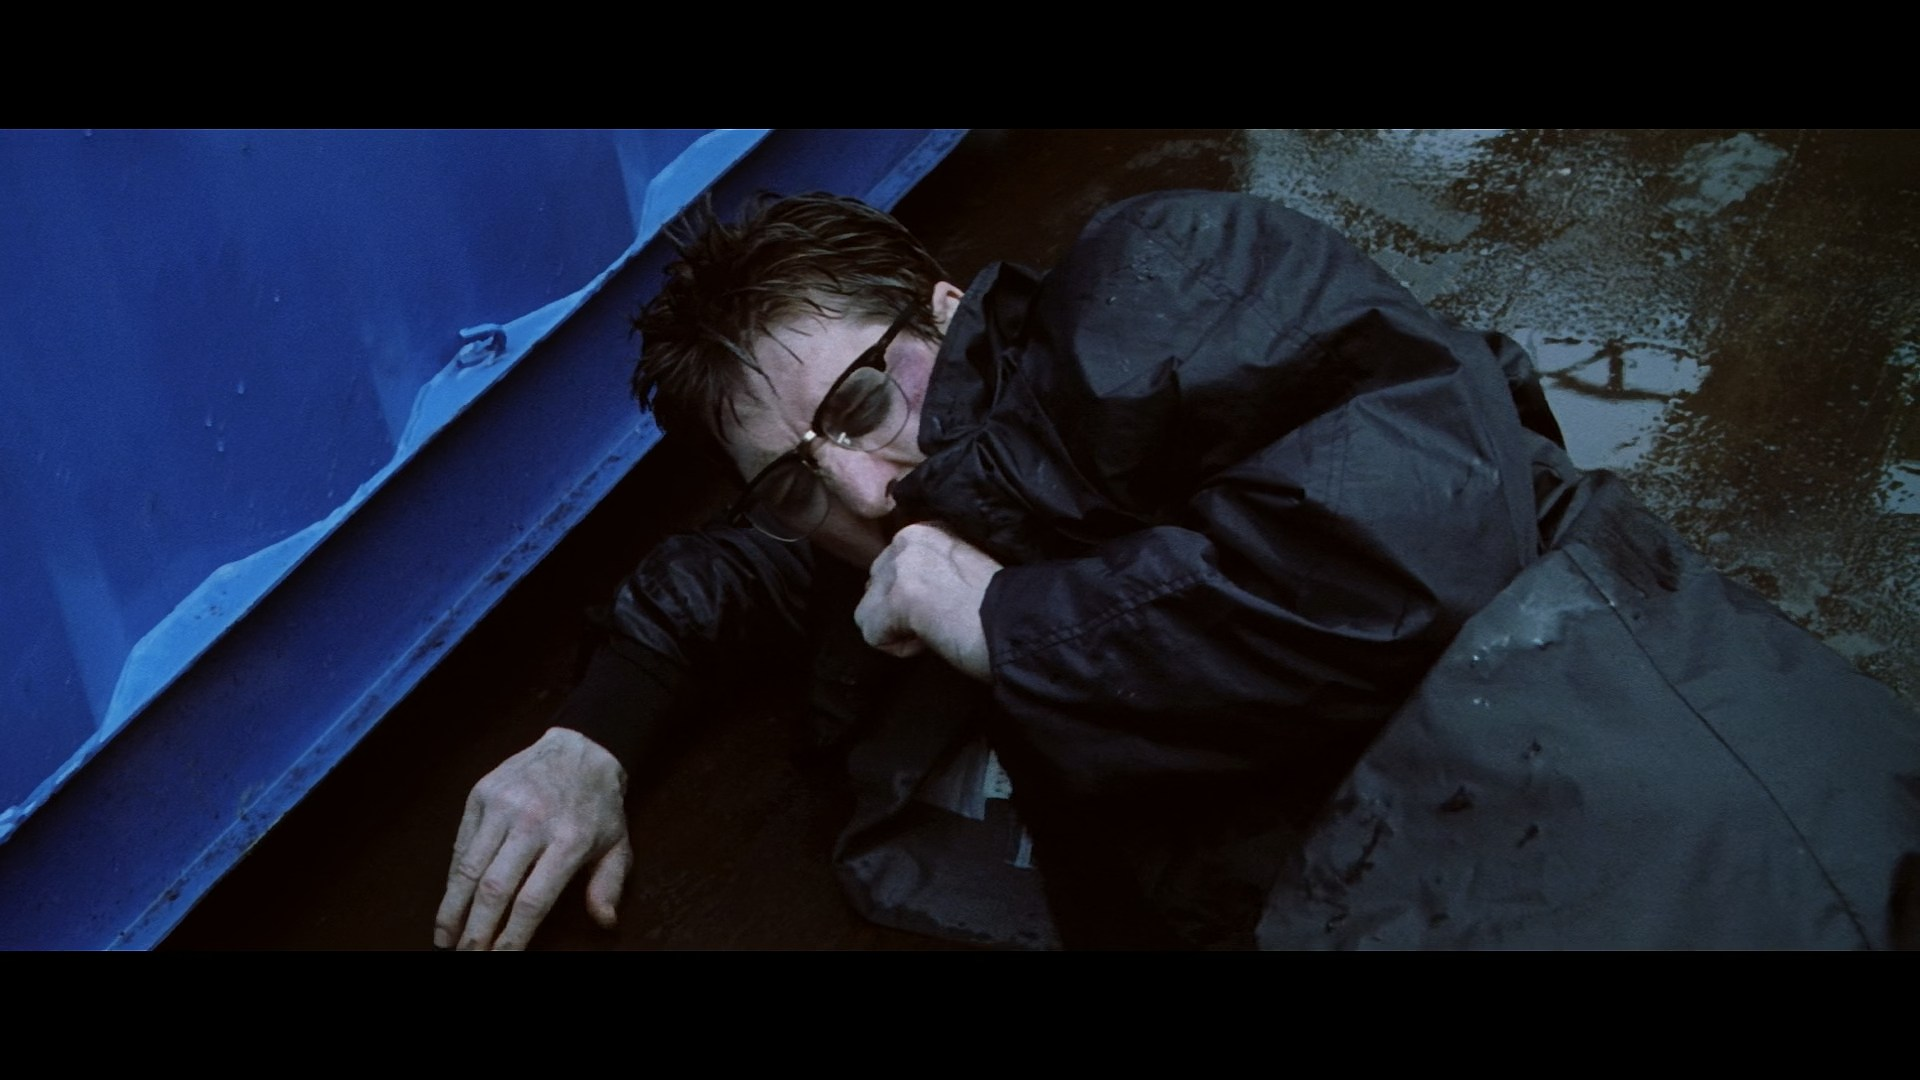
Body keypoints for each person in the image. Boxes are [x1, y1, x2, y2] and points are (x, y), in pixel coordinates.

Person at [434, 190, 1920, 951]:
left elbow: (1416, 539)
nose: (859, 483)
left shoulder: (1158, 287)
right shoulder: (876, 528)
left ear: (945, 312)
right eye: (790, 480)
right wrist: (587, 739)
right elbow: (732, 578)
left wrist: (1012, 623)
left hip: (1676, 813)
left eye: (864, 400)